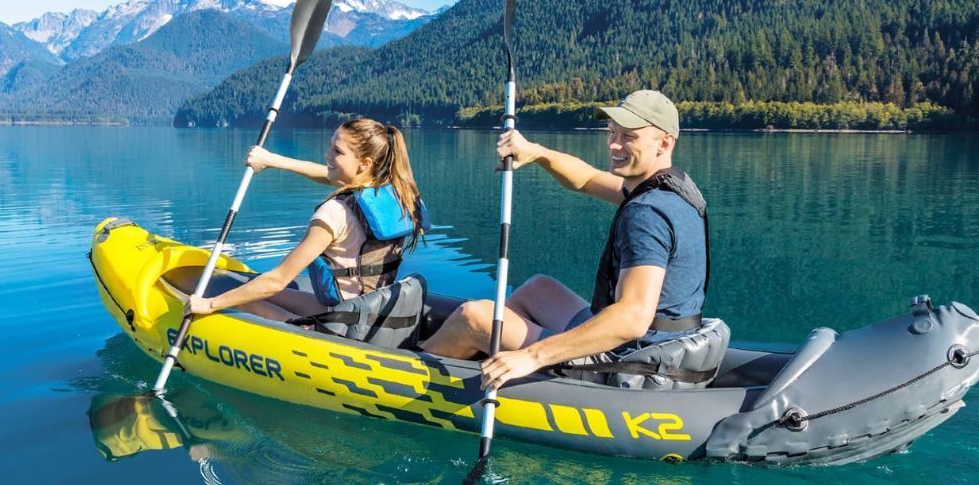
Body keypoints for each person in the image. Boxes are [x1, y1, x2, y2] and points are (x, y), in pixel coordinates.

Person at [421, 89, 710, 389]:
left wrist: (533, 356)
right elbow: (586, 179)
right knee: (538, 289)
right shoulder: (671, 187)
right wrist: (537, 152)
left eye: (628, 136)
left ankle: (409, 374)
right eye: (612, 132)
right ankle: (490, 367)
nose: (613, 144)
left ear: (664, 142)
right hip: (662, 342)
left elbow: (632, 318)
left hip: (632, 359)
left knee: (473, 316)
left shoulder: (647, 213)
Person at [186, 118, 427, 321]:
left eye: (337, 151)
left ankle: (304, 332)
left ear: (364, 164)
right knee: (254, 289)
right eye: (331, 146)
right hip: (372, 308)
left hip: (343, 319)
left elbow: (278, 280)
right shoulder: (399, 193)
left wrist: (209, 305)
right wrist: (271, 160)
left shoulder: (335, 212)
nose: (327, 154)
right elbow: (327, 175)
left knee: (242, 299)